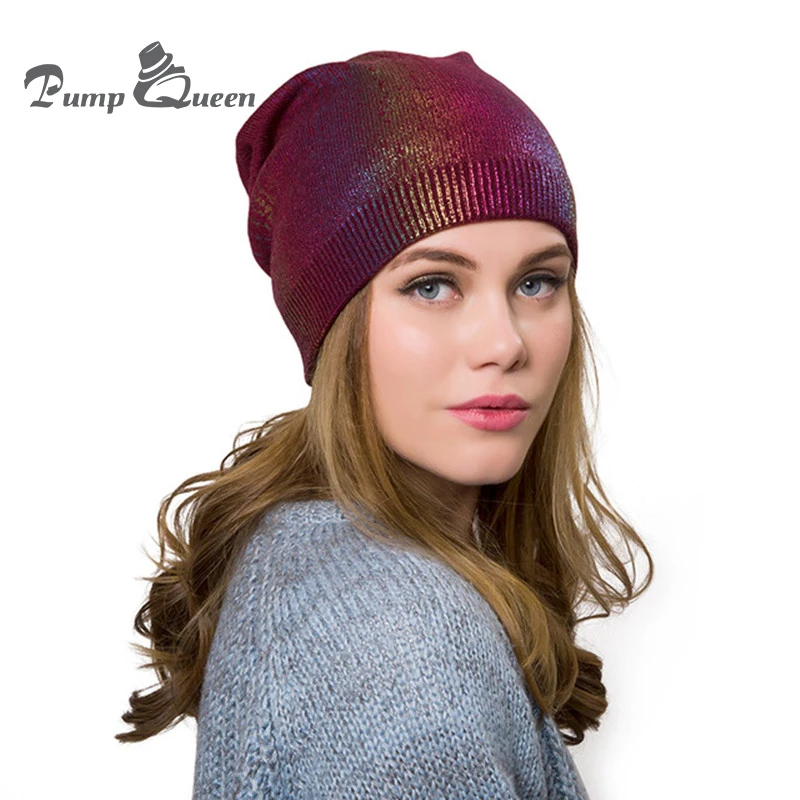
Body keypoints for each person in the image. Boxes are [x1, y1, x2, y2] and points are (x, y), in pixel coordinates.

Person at [117, 50, 654, 799]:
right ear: (335, 327)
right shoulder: (395, 640)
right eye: (433, 286)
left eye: (537, 282)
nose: (505, 343)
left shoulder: (318, 556)